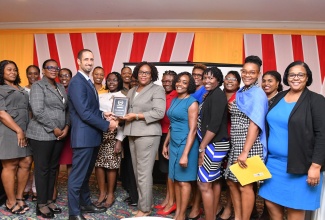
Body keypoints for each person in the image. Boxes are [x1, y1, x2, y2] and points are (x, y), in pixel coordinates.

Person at [259, 61, 325, 220]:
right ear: (286, 77)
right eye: (292, 74)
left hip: (301, 166)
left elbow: (322, 134)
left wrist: (316, 166)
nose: (296, 78)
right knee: (271, 203)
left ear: (307, 77)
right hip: (273, 164)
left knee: (295, 209)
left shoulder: (316, 100)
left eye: (300, 74)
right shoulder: (279, 97)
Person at [67, 49, 117, 220]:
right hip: (83, 138)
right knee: (77, 176)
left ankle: (85, 203)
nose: (89, 62)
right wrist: (107, 125)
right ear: (78, 61)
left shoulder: (87, 80)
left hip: (91, 137)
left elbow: (91, 109)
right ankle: (74, 213)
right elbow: (84, 112)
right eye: (86, 59)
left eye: (91, 59)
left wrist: (103, 114)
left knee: (86, 175)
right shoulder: (77, 82)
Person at [224, 55, 268, 220]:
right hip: (237, 142)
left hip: (249, 144)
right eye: (245, 71)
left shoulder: (257, 93)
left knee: (245, 185)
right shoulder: (243, 91)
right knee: (231, 182)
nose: (247, 75)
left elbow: (255, 125)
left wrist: (245, 151)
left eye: (252, 72)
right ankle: (239, 216)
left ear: (258, 74)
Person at [26, 59, 69, 218]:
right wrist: (54, 128)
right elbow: (37, 111)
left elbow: (67, 109)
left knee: (52, 169)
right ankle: (41, 204)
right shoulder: (38, 86)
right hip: (42, 134)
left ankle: (50, 200)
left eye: (56, 67)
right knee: (42, 169)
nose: (53, 70)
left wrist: (66, 127)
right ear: (44, 70)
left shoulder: (59, 87)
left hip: (59, 135)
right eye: (49, 67)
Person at [122, 61, 166, 217]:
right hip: (132, 133)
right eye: (141, 72)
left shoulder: (157, 90)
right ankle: (145, 203)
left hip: (148, 134)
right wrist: (114, 115)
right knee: (137, 172)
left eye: (147, 72)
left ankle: (145, 209)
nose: (144, 75)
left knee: (143, 173)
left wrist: (137, 116)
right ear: (137, 73)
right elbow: (125, 111)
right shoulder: (132, 90)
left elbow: (159, 113)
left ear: (152, 74)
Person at [162, 71, 198, 220]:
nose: (180, 84)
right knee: (175, 179)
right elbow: (172, 124)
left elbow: (193, 130)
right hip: (174, 142)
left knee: (183, 181)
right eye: (179, 81)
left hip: (186, 143)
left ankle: (181, 215)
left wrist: (185, 154)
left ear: (189, 85)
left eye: (184, 82)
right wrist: (166, 143)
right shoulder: (175, 99)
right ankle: (178, 213)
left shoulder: (192, 102)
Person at [196, 67, 229, 220]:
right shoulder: (210, 94)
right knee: (211, 181)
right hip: (212, 143)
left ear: (218, 80)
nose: (207, 81)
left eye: (211, 78)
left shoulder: (218, 96)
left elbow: (214, 126)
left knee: (204, 184)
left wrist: (202, 148)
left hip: (213, 144)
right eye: (205, 78)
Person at [0, 60, 32, 215]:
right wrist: (18, 130)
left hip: (25, 131)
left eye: (15, 70)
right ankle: (10, 200)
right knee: (10, 165)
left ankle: (19, 198)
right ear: (2, 72)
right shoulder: (0, 88)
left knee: (26, 162)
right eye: (9, 70)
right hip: (9, 131)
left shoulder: (21, 89)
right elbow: (1, 113)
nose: (13, 72)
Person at [94, 71, 125, 208]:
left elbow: (124, 122)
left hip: (114, 135)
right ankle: (102, 193)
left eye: (115, 80)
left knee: (112, 165)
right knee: (99, 164)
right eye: (109, 80)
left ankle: (111, 194)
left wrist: (119, 140)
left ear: (119, 82)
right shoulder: (101, 96)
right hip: (99, 134)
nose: (111, 82)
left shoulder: (123, 97)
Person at [216, 71, 241, 220]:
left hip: (234, 139)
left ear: (238, 83)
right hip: (218, 139)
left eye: (233, 79)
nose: (230, 81)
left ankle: (229, 208)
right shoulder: (216, 94)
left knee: (232, 177)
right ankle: (218, 205)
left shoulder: (240, 96)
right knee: (218, 177)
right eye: (227, 78)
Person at [155, 70, 178, 216]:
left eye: (169, 81)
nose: (166, 83)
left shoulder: (177, 95)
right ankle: (168, 198)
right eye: (164, 80)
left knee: (172, 170)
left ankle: (172, 201)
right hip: (161, 133)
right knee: (166, 169)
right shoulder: (161, 94)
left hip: (172, 135)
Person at [188, 63, 207, 220]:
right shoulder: (191, 90)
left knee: (199, 174)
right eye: (194, 74)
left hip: (199, 135)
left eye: (199, 75)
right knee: (191, 171)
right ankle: (193, 201)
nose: (196, 77)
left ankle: (196, 205)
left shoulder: (205, 92)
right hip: (188, 133)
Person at [119, 66, 139, 207]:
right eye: (124, 73)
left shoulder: (137, 93)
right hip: (123, 130)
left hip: (135, 130)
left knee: (135, 165)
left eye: (129, 74)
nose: (127, 77)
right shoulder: (119, 91)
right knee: (127, 163)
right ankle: (131, 192)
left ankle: (135, 195)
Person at [53, 68, 73, 202]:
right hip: (56, 131)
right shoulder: (55, 90)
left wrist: (68, 126)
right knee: (54, 163)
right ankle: (53, 189)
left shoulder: (74, 90)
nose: (64, 77)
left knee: (71, 163)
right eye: (61, 76)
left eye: (66, 75)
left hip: (71, 131)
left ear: (71, 77)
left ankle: (72, 192)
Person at [23, 64, 40, 202]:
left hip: (39, 131)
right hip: (24, 130)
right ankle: (25, 188)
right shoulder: (22, 91)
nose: (33, 76)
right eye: (30, 73)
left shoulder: (41, 89)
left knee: (38, 162)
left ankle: (35, 189)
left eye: (35, 73)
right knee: (26, 162)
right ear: (26, 75)